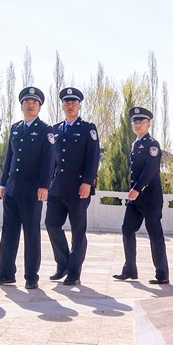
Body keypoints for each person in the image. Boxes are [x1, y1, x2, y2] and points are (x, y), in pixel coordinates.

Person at [0, 86, 52, 288]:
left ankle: (31, 277)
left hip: (32, 190)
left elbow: (48, 161)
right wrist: (2, 182)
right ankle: (6, 272)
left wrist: (44, 185)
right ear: (22, 106)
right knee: (8, 232)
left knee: (31, 234)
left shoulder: (45, 130)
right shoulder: (16, 128)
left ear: (39, 107)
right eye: (27, 102)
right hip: (12, 189)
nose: (30, 105)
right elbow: (9, 156)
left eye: (34, 102)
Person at [44, 86, 101, 287]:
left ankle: (74, 272)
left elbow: (93, 157)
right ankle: (63, 264)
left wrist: (87, 181)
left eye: (73, 103)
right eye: (67, 103)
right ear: (62, 106)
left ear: (79, 106)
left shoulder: (88, 128)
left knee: (78, 231)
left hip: (79, 188)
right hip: (57, 188)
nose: (70, 106)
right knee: (51, 224)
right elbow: (50, 160)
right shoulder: (55, 129)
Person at [113, 106, 170, 284]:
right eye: (135, 122)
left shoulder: (152, 144)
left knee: (155, 235)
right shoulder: (135, 144)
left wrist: (137, 189)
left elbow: (150, 170)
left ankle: (162, 274)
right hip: (135, 200)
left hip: (150, 198)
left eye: (141, 122)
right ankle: (130, 269)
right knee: (127, 229)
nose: (137, 125)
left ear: (148, 124)